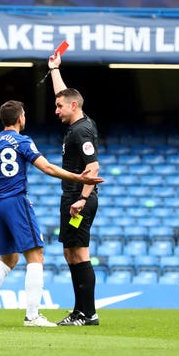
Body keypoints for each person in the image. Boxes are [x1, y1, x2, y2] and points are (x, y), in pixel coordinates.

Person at [0, 100, 104, 327]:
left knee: (9, 258)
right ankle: (32, 316)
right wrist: (78, 178)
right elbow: (47, 167)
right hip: (15, 201)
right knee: (36, 255)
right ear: (20, 118)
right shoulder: (22, 141)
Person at [49, 52, 102, 326]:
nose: (56, 110)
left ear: (72, 106)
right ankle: (79, 311)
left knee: (80, 252)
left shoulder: (81, 132)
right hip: (71, 197)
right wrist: (55, 69)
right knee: (71, 252)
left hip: (78, 199)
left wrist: (82, 199)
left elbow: (93, 167)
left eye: (59, 106)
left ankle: (88, 313)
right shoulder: (79, 120)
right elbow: (65, 93)